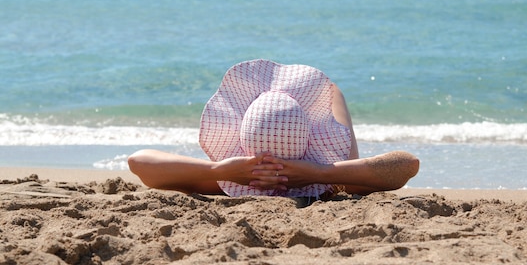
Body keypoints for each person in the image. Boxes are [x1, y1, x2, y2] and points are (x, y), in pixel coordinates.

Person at [128, 59, 419, 197]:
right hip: (316, 167)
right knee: (332, 93)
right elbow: (408, 165)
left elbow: (140, 163)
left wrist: (222, 171)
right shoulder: (334, 185)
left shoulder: (231, 180)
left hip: (252, 166)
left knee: (329, 93)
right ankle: (305, 98)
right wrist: (321, 172)